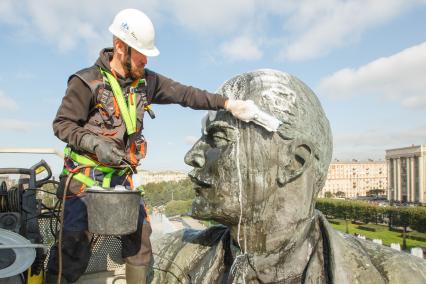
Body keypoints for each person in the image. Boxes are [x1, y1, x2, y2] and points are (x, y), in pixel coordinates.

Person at [150, 69, 426, 283]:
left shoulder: (404, 277)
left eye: (219, 137)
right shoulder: (165, 258)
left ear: (294, 162)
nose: (192, 155)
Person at [48, 8, 253, 284]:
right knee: (71, 251)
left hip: (120, 181)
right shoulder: (86, 82)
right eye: (140, 53)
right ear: (120, 47)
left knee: (140, 244)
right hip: (83, 182)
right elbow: (62, 124)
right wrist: (95, 144)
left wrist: (227, 103)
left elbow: (186, 94)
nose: (145, 59)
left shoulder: (146, 81)